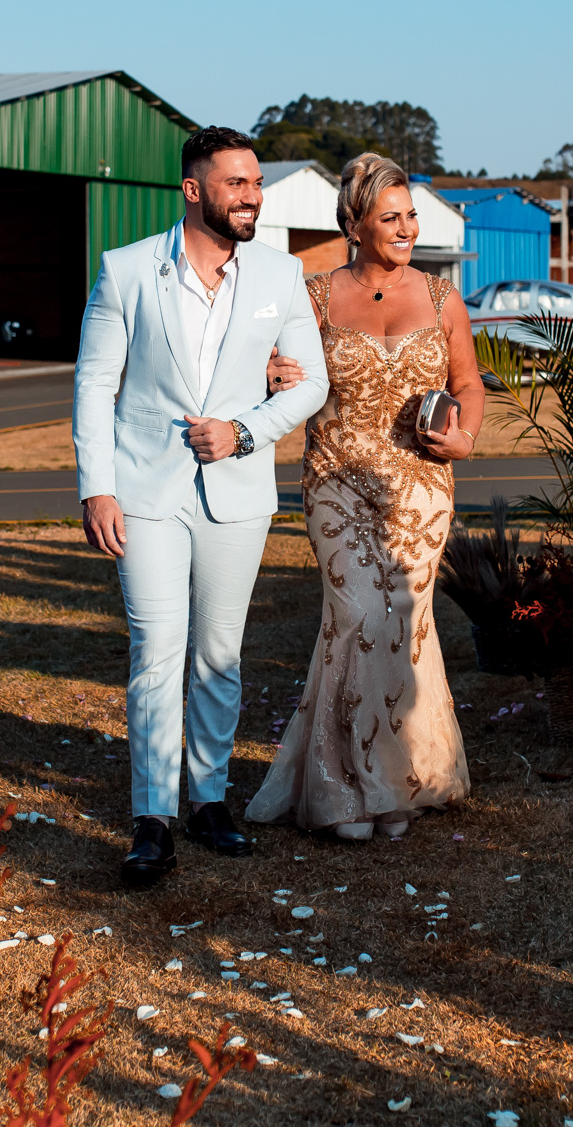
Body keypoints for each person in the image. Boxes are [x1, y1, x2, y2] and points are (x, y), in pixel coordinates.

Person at [74, 126, 330, 886]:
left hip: (238, 495)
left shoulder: (282, 278)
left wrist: (245, 430)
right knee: (155, 650)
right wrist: (97, 487)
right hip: (144, 491)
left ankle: (210, 798)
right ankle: (153, 817)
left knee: (219, 654)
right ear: (195, 191)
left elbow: (310, 382)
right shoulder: (125, 272)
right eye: (237, 184)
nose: (252, 196)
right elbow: (94, 385)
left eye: (256, 183)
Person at [247, 153, 483, 841]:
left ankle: (400, 782)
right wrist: (269, 371)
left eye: (411, 216)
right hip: (336, 480)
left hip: (420, 484)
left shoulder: (443, 299)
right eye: (391, 217)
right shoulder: (312, 296)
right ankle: (342, 787)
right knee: (352, 616)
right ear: (355, 222)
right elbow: (269, 372)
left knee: (405, 621)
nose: (407, 228)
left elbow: (469, 384)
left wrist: (464, 435)